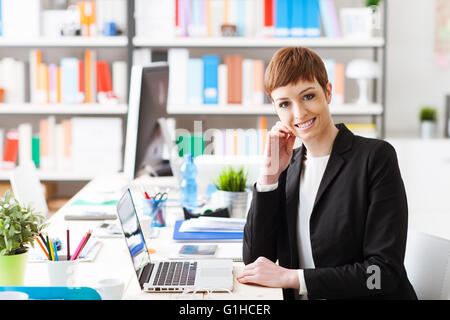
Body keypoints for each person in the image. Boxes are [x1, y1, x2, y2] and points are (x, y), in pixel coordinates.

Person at [237, 46, 417, 300]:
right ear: (276, 110)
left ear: (328, 92)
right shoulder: (286, 168)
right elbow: (256, 263)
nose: (299, 113)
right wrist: (268, 178)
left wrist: (292, 277)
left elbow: (382, 273)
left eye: (308, 96)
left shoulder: (375, 158)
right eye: (285, 103)